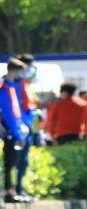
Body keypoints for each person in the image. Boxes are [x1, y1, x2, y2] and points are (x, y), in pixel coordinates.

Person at [1, 59, 31, 204]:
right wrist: (17, 134)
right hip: (9, 131)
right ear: (13, 71)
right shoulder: (4, 88)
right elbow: (8, 114)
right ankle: (9, 192)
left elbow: (16, 112)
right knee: (9, 163)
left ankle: (12, 191)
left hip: (14, 130)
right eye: (21, 72)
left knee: (13, 162)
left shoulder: (11, 88)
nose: (22, 75)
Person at [13, 54, 39, 201]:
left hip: (27, 126)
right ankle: (15, 189)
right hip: (19, 128)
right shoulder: (16, 84)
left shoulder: (26, 84)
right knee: (18, 160)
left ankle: (19, 188)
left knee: (24, 160)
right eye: (30, 67)